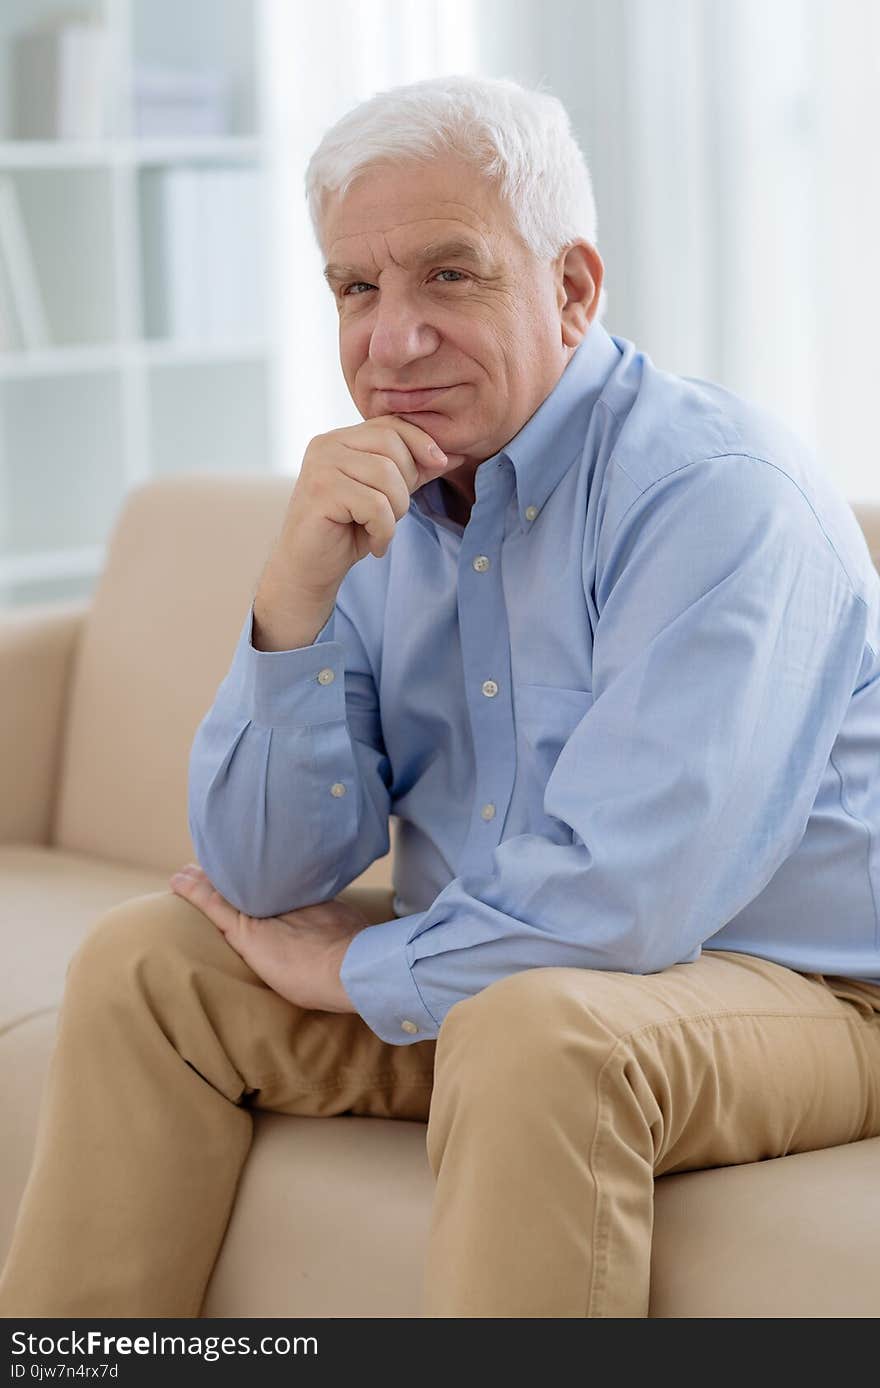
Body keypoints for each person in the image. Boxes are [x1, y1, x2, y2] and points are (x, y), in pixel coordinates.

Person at [2, 72, 879, 1321]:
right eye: (356, 289)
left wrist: (362, 970)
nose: (390, 339)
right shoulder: (377, 504)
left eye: (448, 276)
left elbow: (628, 901)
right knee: (153, 959)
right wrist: (290, 601)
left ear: (571, 288)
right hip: (507, 971)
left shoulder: (718, 498)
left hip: (805, 990)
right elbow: (258, 873)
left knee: (536, 1035)